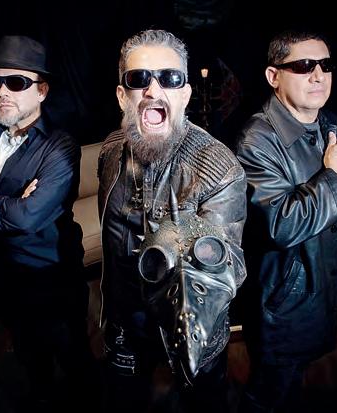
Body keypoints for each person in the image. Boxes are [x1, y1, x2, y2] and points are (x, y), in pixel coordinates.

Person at [0, 35, 96, 412]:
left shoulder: (59, 147)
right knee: (30, 356)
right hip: (5, 277)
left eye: (16, 82)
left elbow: (27, 218)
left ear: (42, 91)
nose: (2, 92)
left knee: (74, 358)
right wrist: (3, 208)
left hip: (52, 279)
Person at [97, 29, 247, 413]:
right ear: (122, 96)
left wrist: (173, 240)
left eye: (169, 78)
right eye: (139, 78)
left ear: (185, 94)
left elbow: (225, 267)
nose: (153, 89)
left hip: (193, 333)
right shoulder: (111, 151)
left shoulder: (218, 168)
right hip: (124, 324)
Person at [235, 30, 337, 412]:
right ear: (273, 76)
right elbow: (281, 225)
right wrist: (332, 176)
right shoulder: (255, 140)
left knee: (294, 383)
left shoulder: (332, 123)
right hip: (286, 301)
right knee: (269, 392)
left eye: (325, 65)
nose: (318, 75)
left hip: (327, 289)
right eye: (303, 66)